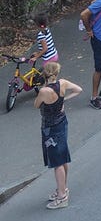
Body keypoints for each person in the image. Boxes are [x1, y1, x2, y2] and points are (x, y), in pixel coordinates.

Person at [34, 61, 82, 208]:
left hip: (50, 128)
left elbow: (36, 105)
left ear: (44, 74)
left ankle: (62, 197)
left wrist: (42, 88)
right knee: (62, 157)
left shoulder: (44, 91)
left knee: (57, 162)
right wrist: (64, 100)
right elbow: (78, 89)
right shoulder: (63, 83)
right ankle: (63, 188)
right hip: (62, 123)